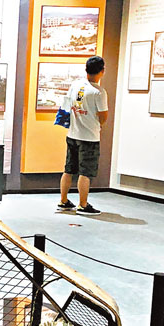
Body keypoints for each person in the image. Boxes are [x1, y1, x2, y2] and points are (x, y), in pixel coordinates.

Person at [58, 56, 108, 215]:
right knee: (85, 172)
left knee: (68, 169)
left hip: (72, 134)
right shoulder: (99, 92)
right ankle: (82, 204)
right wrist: (99, 124)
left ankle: (64, 200)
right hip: (89, 137)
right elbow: (103, 115)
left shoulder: (75, 85)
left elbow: (66, 105)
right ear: (102, 72)